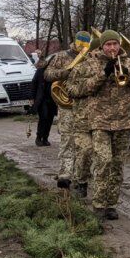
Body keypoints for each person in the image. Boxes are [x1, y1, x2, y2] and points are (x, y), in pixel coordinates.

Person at [66, 30, 130, 220]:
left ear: (119, 45)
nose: (112, 48)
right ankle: (98, 204)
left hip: (124, 121)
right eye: (108, 44)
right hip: (100, 121)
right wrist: (103, 74)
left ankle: (111, 204)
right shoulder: (89, 64)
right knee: (103, 161)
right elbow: (73, 89)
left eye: (115, 44)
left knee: (117, 165)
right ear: (102, 46)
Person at [44, 30, 91, 188]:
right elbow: (47, 74)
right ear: (75, 42)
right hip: (67, 107)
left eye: (86, 44)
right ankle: (65, 173)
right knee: (67, 139)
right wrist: (65, 73)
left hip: (86, 105)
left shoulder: (92, 58)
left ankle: (81, 174)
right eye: (81, 43)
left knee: (84, 142)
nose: (82, 47)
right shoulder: (62, 56)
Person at [68, 36, 101, 198]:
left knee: (100, 155)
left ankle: (98, 187)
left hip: (103, 119)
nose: (96, 53)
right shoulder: (80, 67)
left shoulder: (110, 66)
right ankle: (80, 181)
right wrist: (89, 86)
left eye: (98, 50)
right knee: (85, 151)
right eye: (94, 50)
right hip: (82, 118)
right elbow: (70, 89)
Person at [31, 57, 57, 147]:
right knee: (43, 117)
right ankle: (38, 138)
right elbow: (34, 83)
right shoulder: (40, 71)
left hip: (53, 99)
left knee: (50, 119)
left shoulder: (57, 72)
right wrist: (31, 98)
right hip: (42, 99)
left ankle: (45, 138)